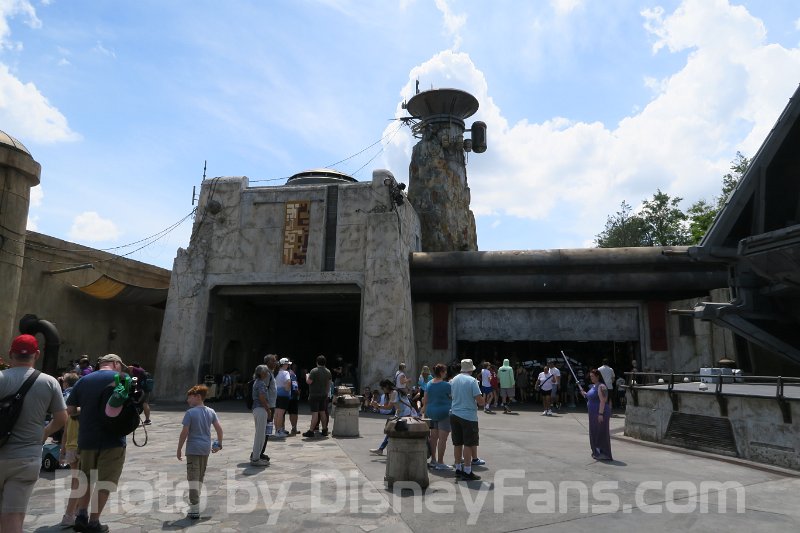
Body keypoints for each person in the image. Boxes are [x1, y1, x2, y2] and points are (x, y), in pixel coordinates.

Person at [0, 334, 67, 533]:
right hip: (26, 457)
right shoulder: (49, 382)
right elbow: (61, 418)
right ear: (36, 354)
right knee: (13, 516)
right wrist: (45, 433)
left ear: (10, 353)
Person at [66, 353, 130, 533]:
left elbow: (70, 410)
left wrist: (86, 409)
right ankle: (94, 522)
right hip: (113, 439)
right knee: (105, 481)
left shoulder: (83, 380)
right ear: (116, 363)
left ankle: (81, 516)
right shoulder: (122, 378)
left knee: (85, 478)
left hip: (87, 438)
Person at [177, 384, 223, 519]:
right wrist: (218, 444)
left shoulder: (190, 413)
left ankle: (194, 506)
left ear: (197, 397)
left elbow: (184, 433)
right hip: (205, 449)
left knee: (193, 477)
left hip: (193, 449)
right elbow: (219, 430)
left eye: (189, 397)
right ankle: (196, 501)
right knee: (200, 476)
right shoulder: (211, 411)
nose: (188, 400)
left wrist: (179, 448)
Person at [449, 359, 484, 481]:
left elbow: (451, 395)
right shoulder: (472, 381)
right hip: (468, 416)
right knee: (468, 444)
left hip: (454, 413)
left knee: (457, 443)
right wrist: (484, 400)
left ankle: (458, 468)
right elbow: (479, 400)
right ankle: (468, 470)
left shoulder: (453, 380)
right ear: (471, 369)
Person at [59, 372, 82, 528]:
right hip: (81, 446)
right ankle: (69, 515)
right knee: (79, 483)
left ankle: (77, 512)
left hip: (71, 446)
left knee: (78, 481)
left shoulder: (69, 405)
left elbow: (65, 430)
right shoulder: (83, 408)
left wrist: (62, 450)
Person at [369, 379, 415, 455]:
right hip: (401, 414)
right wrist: (377, 405)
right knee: (391, 431)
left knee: (393, 431)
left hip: (405, 414)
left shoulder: (394, 392)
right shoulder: (393, 392)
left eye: (383, 388)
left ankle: (382, 449)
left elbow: (389, 407)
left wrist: (378, 406)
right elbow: (388, 406)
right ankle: (381, 449)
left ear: (387, 386)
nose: (382, 390)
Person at [421, 363, 452, 470]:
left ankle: (433, 460)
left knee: (433, 438)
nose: (446, 373)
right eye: (445, 371)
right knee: (443, 439)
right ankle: (440, 462)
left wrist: (424, 412)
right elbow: (452, 397)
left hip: (431, 412)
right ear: (442, 372)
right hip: (444, 413)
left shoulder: (429, 384)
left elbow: (425, 400)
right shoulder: (447, 385)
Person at [581, 369, 613, 461]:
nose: (591, 378)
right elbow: (591, 397)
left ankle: (604, 453)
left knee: (601, 432)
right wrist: (585, 394)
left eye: (592, 376)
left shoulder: (601, 386)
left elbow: (603, 401)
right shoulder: (594, 386)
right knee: (594, 431)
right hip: (593, 412)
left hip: (599, 412)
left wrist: (600, 414)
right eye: (590, 376)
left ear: (598, 376)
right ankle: (596, 451)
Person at [303, 355, 331, 438]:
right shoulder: (328, 371)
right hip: (323, 395)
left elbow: (309, 382)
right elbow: (329, 384)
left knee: (315, 413)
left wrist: (307, 376)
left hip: (314, 395)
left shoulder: (314, 371)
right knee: (323, 412)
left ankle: (311, 431)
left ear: (317, 362)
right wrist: (326, 393)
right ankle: (325, 430)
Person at [249, 365, 272, 466]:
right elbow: (262, 397)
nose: (267, 374)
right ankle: (256, 459)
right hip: (261, 409)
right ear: (262, 373)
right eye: (266, 372)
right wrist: (268, 409)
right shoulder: (261, 383)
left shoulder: (257, 382)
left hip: (257, 409)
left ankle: (256, 456)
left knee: (260, 434)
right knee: (260, 435)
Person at [273, 358, 292, 438]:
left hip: (276, 395)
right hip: (284, 396)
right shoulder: (286, 372)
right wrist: (287, 389)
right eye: (287, 364)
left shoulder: (275, 372)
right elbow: (288, 382)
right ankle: (279, 431)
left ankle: (277, 430)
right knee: (280, 414)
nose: (288, 366)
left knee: (276, 414)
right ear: (284, 364)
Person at [287, 364, 300, 434]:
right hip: (292, 396)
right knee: (293, 413)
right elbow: (295, 385)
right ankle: (294, 428)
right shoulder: (292, 373)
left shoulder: (278, 372)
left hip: (282, 396)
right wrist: (297, 392)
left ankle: (281, 429)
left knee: (281, 413)